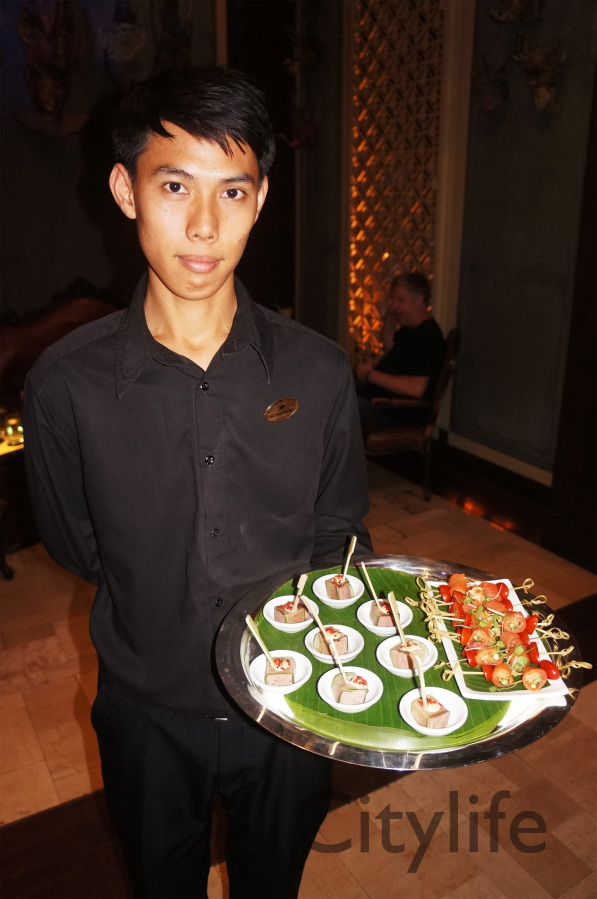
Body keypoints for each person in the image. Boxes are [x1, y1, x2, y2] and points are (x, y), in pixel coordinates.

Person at [23, 66, 372, 899]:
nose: (205, 226)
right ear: (126, 190)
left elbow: (338, 530)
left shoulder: (318, 370)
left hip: (292, 707)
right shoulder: (65, 384)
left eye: (233, 192)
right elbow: (76, 543)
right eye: (175, 185)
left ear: (260, 198)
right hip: (147, 712)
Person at [354, 271, 444, 428]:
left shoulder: (426, 335)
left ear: (419, 301)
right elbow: (391, 347)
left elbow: (416, 387)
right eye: (392, 300)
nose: (394, 305)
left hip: (392, 412)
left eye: (400, 300)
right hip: (378, 403)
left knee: (333, 405)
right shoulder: (410, 330)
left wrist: (370, 375)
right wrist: (389, 318)